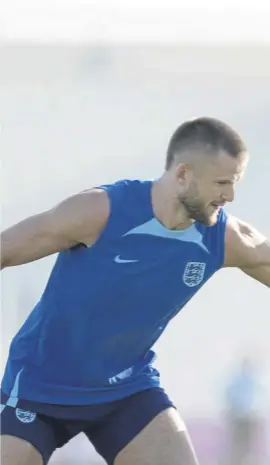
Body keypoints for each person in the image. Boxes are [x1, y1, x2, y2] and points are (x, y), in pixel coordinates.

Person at [1, 117, 269, 465]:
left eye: (234, 184)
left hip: (125, 390)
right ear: (183, 174)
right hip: (38, 387)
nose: (230, 196)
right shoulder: (99, 211)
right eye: (222, 183)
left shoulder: (223, 237)